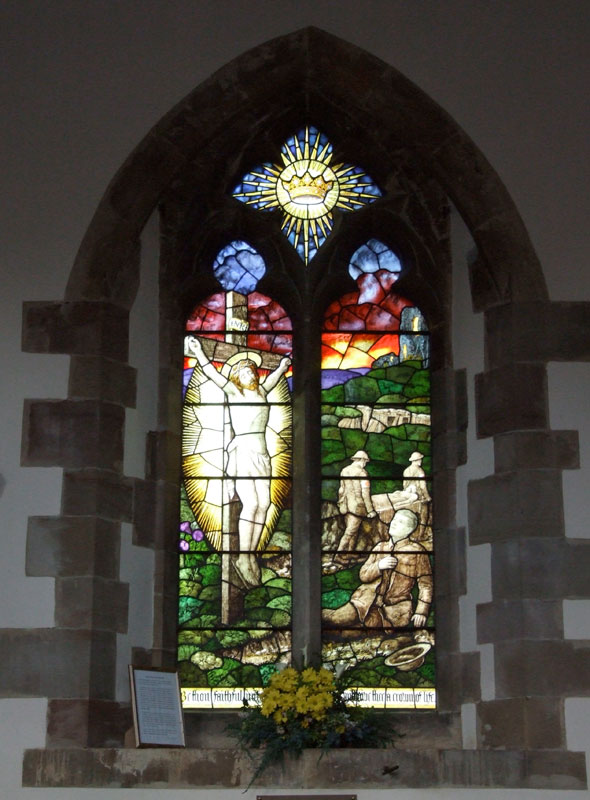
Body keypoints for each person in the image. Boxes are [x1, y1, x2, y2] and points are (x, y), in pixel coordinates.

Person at [184, 335, 291, 587]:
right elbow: (213, 375)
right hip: (242, 452)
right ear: (236, 377)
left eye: (250, 370)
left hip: (262, 455)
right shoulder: (233, 391)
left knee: (264, 504)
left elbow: (275, 376)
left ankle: (251, 553)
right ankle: (243, 556)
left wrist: (283, 367)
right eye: (243, 372)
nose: (249, 374)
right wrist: (199, 353)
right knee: (251, 503)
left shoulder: (263, 391)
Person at [323, 509, 432, 629]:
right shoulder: (380, 547)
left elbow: (426, 584)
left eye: (400, 522)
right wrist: (378, 566)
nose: (393, 523)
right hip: (365, 601)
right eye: (394, 519)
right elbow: (363, 575)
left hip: (393, 609)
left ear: (410, 529)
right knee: (336, 619)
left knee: (351, 633)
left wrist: (422, 611)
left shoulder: (417, 552)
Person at [335, 450, 376, 563]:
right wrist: (370, 510)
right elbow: (365, 493)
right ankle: (338, 556)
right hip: (357, 506)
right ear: (362, 460)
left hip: (346, 504)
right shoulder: (362, 473)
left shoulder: (345, 470)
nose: (365, 464)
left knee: (354, 530)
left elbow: (341, 489)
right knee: (350, 531)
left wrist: (341, 503)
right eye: (365, 461)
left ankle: (349, 552)